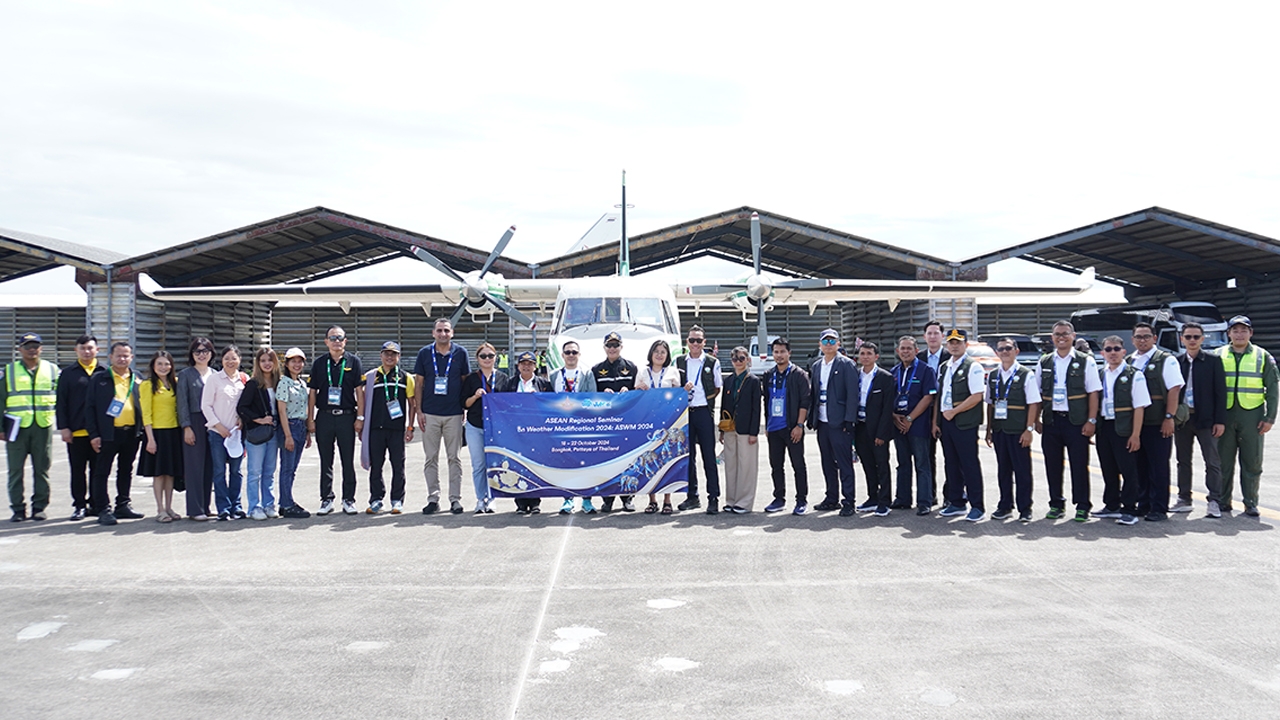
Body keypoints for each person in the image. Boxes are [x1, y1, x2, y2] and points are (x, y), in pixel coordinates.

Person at [1037, 320, 1101, 522]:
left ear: (1073, 336)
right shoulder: (1045, 361)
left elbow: (1093, 393)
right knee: (1052, 465)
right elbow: (1037, 393)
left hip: (1076, 421)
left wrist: (1091, 420)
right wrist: (1037, 420)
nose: (1061, 337)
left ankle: (1082, 505)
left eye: (1065, 333)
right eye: (1057, 334)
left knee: (1079, 465)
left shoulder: (1085, 361)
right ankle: (1056, 503)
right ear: (1052, 337)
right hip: (1052, 421)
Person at [1217, 315, 1278, 517]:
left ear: (1251, 333)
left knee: (1252, 461)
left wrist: (1270, 418)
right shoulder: (1217, 355)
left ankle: (1250, 502)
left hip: (1252, 415)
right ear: (1229, 334)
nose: (1239, 334)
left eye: (1244, 330)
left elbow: (1272, 389)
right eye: (1235, 330)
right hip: (1224, 415)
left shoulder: (1262, 356)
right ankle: (1223, 501)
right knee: (1223, 461)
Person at [1126, 322, 1184, 522]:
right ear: (1132, 340)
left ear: (1155, 338)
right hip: (1135, 424)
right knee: (1139, 465)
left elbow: (1174, 390)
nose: (1142, 340)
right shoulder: (1129, 361)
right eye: (1139, 337)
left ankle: (1159, 507)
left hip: (1157, 422)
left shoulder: (1165, 360)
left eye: (1146, 336)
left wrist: (1169, 417)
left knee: (1158, 466)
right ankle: (1143, 504)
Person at [983, 337, 1041, 523]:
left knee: (1022, 470)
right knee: (1003, 470)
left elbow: (1033, 403)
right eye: (1000, 349)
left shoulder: (1026, 374)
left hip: (1018, 430)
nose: (1004, 352)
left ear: (1016, 351)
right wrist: (989, 429)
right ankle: (1005, 505)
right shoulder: (993, 376)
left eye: (1008, 348)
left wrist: (1029, 429)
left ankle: (1025, 508)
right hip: (1000, 430)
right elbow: (990, 405)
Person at [86, 341, 145, 525]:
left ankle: (123, 505)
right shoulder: (100, 378)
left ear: (131, 357)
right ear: (110, 357)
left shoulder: (137, 377)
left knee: (126, 470)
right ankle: (103, 508)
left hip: (131, 433)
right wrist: (94, 434)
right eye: (118, 355)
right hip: (108, 434)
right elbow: (90, 408)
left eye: (126, 355)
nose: (122, 358)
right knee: (101, 471)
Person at [413, 318, 467, 515]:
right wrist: (419, 410)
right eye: (439, 331)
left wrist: (463, 409)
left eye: (446, 330)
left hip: (453, 413)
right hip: (430, 414)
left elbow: (464, 382)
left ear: (452, 333)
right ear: (433, 333)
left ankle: (455, 499)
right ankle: (433, 498)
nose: (443, 334)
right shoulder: (424, 353)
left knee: (455, 458)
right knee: (431, 458)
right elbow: (419, 383)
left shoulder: (460, 353)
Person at [308, 326, 364, 516]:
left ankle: (349, 499)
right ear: (326, 342)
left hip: (347, 417)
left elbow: (359, 392)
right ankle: (326, 499)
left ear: (345, 341)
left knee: (348, 461)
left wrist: (360, 417)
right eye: (332, 338)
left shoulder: (353, 362)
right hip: (324, 416)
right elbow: (313, 393)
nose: (336, 341)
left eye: (340, 337)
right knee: (326, 461)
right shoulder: (319, 363)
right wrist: (311, 420)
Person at [1093, 335, 1149, 525]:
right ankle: (1111, 505)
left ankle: (1130, 509)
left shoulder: (1134, 374)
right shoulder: (1100, 374)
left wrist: (1135, 434)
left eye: (1116, 349)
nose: (1113, 353)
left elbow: (1139, 407)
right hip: (1105, 426)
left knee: (1128, 470)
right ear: (1102, 353)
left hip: (1124, 427)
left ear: (1124, 352)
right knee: (1108, 468)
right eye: (1108, 349)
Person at [3, 332, 58, 522]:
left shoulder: (52, 370)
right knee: (15, 470)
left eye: (35, 346)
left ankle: (39, 507)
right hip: (16, 428)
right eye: (27, 346)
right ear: (20, 349)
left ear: (41, 348)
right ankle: (18, 509)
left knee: (42, 469)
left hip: (42, 426)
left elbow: (62, 397)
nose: (32, 350)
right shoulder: (8, 371)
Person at [1173, 322, 1226, 518]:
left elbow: (1221, 393)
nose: (1192, 340)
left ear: (1203, 339)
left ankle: (1214, 500)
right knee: (1182, 460)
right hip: (1183, 420)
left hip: (1207, 420)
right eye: (1188, 337)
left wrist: (1220, 421)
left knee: (1212, 461)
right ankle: (1184, 498)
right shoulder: (1176, 361)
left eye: (1196, 337)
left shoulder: (1213, 361)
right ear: (1182, 339)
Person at [934, 328, 986, 521]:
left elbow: (976, 396)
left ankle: (977, 506)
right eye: (951, 342)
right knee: (951, 463)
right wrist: (938, 421)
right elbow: (940, 396)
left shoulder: (973, 367)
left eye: (958, 342)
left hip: (964, 422)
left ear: (966, 344)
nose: (954, 346)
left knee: (969, 464)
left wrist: (954, 412)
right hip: (946, 422)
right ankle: (956, 502)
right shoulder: (945, 367)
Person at [808, 328, 860, 516]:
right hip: (822, 422)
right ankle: (832, 498)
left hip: (840, 422)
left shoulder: (846, 364)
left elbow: (853, 394)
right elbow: (813, 394)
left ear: (838, 344)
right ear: (819, 344)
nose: (828, 345)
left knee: (844, 463)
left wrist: (849, 420)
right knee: (827, 462)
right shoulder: (816, 366)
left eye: (832, 341)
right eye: (825, 341)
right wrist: (811, 418)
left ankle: (849, 501)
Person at [360, 342, 417, 515]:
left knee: (398, 466)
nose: (390, 357)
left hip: (397, 429)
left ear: (399, 357)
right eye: (386, 354)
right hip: (375, 428)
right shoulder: (371, 376)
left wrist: (410, 427)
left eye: (393, 354)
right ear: (381, 355)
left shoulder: (406, 377)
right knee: (376, 465)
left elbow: (412, 404)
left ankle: (397, 500)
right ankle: (376, 499)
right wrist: (361, 423)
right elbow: (362, 400)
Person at [56, 334, 106, 521]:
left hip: (99, 433)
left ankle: (96, 504)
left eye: (90, 348)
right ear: (76, 350)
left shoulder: (104, 371)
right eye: (82, 348)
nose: (86, 352)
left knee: (98, 470)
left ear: (97, 350)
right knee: (78, 471)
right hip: (76, 432)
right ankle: (79, 505)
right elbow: (61, 402)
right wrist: (64, 427)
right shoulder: (69, 373)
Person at [761, 338, 811, 516]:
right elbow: (767, 401)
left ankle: (801, 500)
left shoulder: (798, 374)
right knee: (776, 465)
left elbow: (805, 401)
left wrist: (799, 425)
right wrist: (767, 425)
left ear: (789, 353)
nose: (779, 355)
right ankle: (779, 498)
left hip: (792, 427)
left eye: (782, 351)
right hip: (774, 428)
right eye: (776, 352)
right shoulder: (768, 375)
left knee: (798, 464)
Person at [675, 325, 721, 513]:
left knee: (709, 456)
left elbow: (717, 387)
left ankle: (713, 497)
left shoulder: (711, 362)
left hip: (703, 412)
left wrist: (705, 400)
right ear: (687, 342)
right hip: (686, 414)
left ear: (704, 342)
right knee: (689, 457)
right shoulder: (678, 362)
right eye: (692, 340)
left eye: (698, 340)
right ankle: (692, 496)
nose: (695, 344)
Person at [889, 335, 937, 516]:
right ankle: (903, 498)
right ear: (897, 351)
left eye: (909, 348)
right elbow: (888, 399)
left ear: (916, 351)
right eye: (903, 348)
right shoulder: (893, 372)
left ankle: (924, 502)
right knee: (902, 463)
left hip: (918, 425)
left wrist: (909, 419)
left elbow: (928, 397)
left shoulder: (926, 370)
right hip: (898, 425)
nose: (906, 351)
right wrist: (895, 417)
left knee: (922, 463)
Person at [593, 332, 640, 512]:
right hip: (605, 424)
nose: (612, 348)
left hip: (626, 423)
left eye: (616, 345)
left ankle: (627, 498)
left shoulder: (631, 367)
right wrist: (601, 394)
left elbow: (639, 393)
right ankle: (607, 499)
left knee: (627, 461)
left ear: (621, 346)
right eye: (609, 345)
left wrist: (628, 391)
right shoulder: (596, 370)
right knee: (606, 461)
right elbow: (589, 396)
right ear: (604, 347)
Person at [501, 351, 551, 515]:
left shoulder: (543, 384)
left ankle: (535, 502)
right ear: (518, 366)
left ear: (535, 366)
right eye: (523, 363)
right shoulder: (509, 383)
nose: (526, 366)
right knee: (517, 466)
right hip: (515, 431)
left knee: (535, 466)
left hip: (536, 431)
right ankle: (521, 502)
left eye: (530, 363)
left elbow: (551, 406)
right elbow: (501, 405)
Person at [462, 342, 508, 515]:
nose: (487, 359)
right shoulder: (471, 379)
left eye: (490, 356)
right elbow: (464, 404)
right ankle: (481, 498)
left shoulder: (503, 377)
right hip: (475, 425)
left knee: (495, 464)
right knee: (479, 464)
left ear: (496, 358)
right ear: (477, 359)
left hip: (496, 428)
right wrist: (475, 396)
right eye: (483, 356)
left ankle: (492, 499)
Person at [552, 340, 598, 514]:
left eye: (574, 352)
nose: (571, 355)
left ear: (579, 355)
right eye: (568, 352)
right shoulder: (554, 375)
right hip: (562, 427)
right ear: (563, 355)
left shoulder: (587, 374)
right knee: (565, 463)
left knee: (586, 463)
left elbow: (592, 398)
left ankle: (587, 499)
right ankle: (567, 499)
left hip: (582, 425)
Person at [202, 345, 247, 521]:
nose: (230, 361)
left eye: (234, 358)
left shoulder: (244, 379)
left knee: (236, 472)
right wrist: (218, 426)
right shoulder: (214, 379)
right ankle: (223, 508)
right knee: (219, 471)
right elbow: (205, 405)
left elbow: (246, 405)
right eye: (227, 358)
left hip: (236, 434)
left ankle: (236, 506)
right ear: (221, 360)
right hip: (217, 433)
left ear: (239, 360)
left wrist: (243, 420)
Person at [138, 351, 183, 523]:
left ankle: (169, 507)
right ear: (153, 366)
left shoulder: (175, 383)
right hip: (156, 432)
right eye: (160, 364)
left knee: (170, 473)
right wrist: (150, 439)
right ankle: (160, 509)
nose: (163, 367)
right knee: (159, 473)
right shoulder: (147, 385)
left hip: (173, 432)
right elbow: (146, 413)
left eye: (167, 364)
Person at [636, 339, 680, 513]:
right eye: (656, 351)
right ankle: (652, 499)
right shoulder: (643, 372)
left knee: (667, 459)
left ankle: (667, 500)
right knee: (650, 459)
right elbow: (634, 396)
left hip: (668, 421)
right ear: (651, 354)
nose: (660, 354)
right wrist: (638, 388)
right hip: (648, 422)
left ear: (667, 355)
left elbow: (679, 396)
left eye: (663, 351)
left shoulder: (673, 372)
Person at [852, 342, 895, 516]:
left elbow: (887, 409)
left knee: (882, 465)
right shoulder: (855, 376)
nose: (865, 357)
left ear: (876, 356)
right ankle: (872, 497)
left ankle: (885, 501)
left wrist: (882, 433)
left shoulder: (885, 377)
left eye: (869, 353)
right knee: (867, 464)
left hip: (878, 429)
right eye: (862, 353)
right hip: (860, 427)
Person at [238, 348, 281, 520]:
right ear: (258, 363)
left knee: (269, 471)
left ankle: (269, 504)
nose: (267, 363)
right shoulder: (253, 384)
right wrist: (259, 419)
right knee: (255, 472)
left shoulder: (279, 382)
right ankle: (254, 507)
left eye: (270, 360)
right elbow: (242, 408)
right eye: (263, 360)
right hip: (257, 433)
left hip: (274, 432)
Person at [176, 337, 215, 521]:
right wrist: (186, 427)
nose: (202, 354)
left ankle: (206, 506)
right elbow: (181, 403)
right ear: (192, 354)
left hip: (213, 422)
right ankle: (194, 509)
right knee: (194, 467)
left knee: (209, 466)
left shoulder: (215, 374)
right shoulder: (185, 374)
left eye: (205, 350)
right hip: (194, 420)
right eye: (198, 351)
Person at [720, 347, 762, 514]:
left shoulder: (753, 381)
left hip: (746, 430)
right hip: (730, 427)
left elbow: (756, 409)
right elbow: (723, 405)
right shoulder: (729, 380)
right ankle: (731, 500)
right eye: (735, 358)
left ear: (748, 360)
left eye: (742, 358)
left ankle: (744, 502)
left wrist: (754, 432)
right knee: (730, 465)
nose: (738, 361)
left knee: (746, 466)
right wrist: (721, 429)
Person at [276, 347, 312, 518]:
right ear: (287, 364)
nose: (297, 364)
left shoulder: (301, 383)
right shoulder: (284, 382)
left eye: (300, 361)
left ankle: (286, 501)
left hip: (300, 426)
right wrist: (288, 435)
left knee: (293, 469)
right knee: (287, 468)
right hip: (288, 426)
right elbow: (282, 411)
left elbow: (303, 408)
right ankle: (286, 504)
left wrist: (306, 432)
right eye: (293, 361)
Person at [920, 320, 947, 505]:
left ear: (942, 336)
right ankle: (930, 495)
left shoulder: (950, 356)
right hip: (924, 413)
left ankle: (952, 496)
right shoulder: (918, 357)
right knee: (927, 457)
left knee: (951, 457)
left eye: (936, 333)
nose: (932, 336)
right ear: (924, 337)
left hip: (947, 412)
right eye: (929, 333)